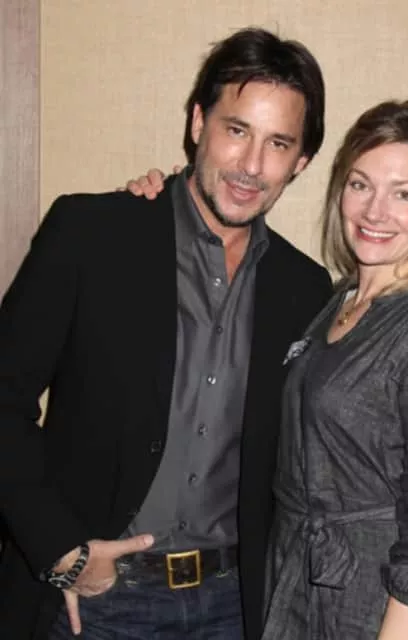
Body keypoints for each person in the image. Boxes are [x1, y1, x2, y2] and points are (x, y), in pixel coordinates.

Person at [0, 28, 332, 640]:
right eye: (237, 130)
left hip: (235, 606)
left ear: (301, 162)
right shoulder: (91, 234)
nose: (252, 165)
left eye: (278, 144)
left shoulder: (306, 288)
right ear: (198, 122)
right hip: (95, 601)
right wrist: (60, 550)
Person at [255, 99, 408, 639]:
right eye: (361, 185)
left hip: (382, 610)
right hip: (305, 590)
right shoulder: (337, 303)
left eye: (403, 194)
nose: (374, 211)